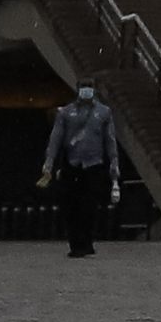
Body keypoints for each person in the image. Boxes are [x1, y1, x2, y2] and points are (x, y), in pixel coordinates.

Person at [40, 84, 122, 257]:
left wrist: (114, 161)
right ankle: (76, 243)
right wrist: (49, 161)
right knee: (71, 205)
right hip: (72, 163)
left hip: (94, 164)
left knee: (89, 206)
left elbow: (110, 139)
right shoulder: (66, 113)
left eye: (90, 87)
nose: (87, 91)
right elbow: (56, 138)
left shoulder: (104, 112)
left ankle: (86, 243)